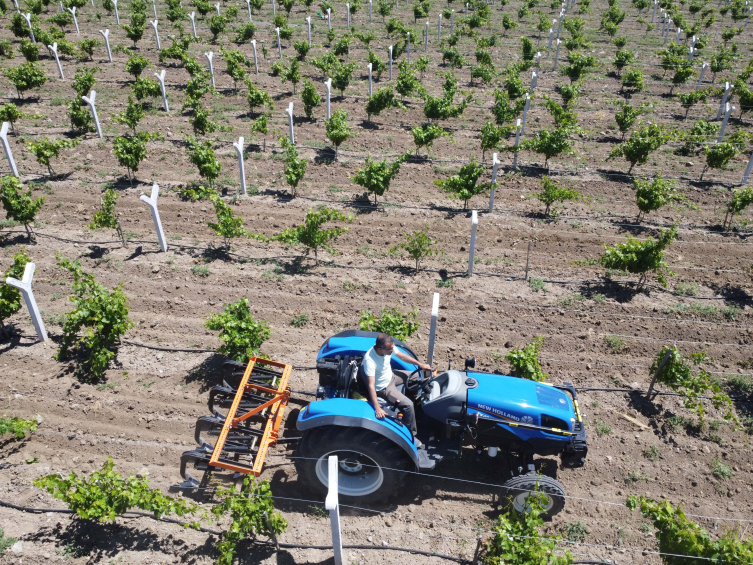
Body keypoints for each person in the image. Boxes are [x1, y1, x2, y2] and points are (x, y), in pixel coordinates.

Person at [362, 333, 432, 445]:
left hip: (391, 376)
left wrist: (420, 364)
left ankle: (413, 404)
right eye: (390, 349)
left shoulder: (387, 348)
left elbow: (403, 356)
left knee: (416, 376)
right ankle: (411, 435)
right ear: (380, 349)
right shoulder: (370, 360)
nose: (392, 351)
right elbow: (371, 385)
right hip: (384, 387)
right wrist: (377, 408)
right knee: (408, 405)